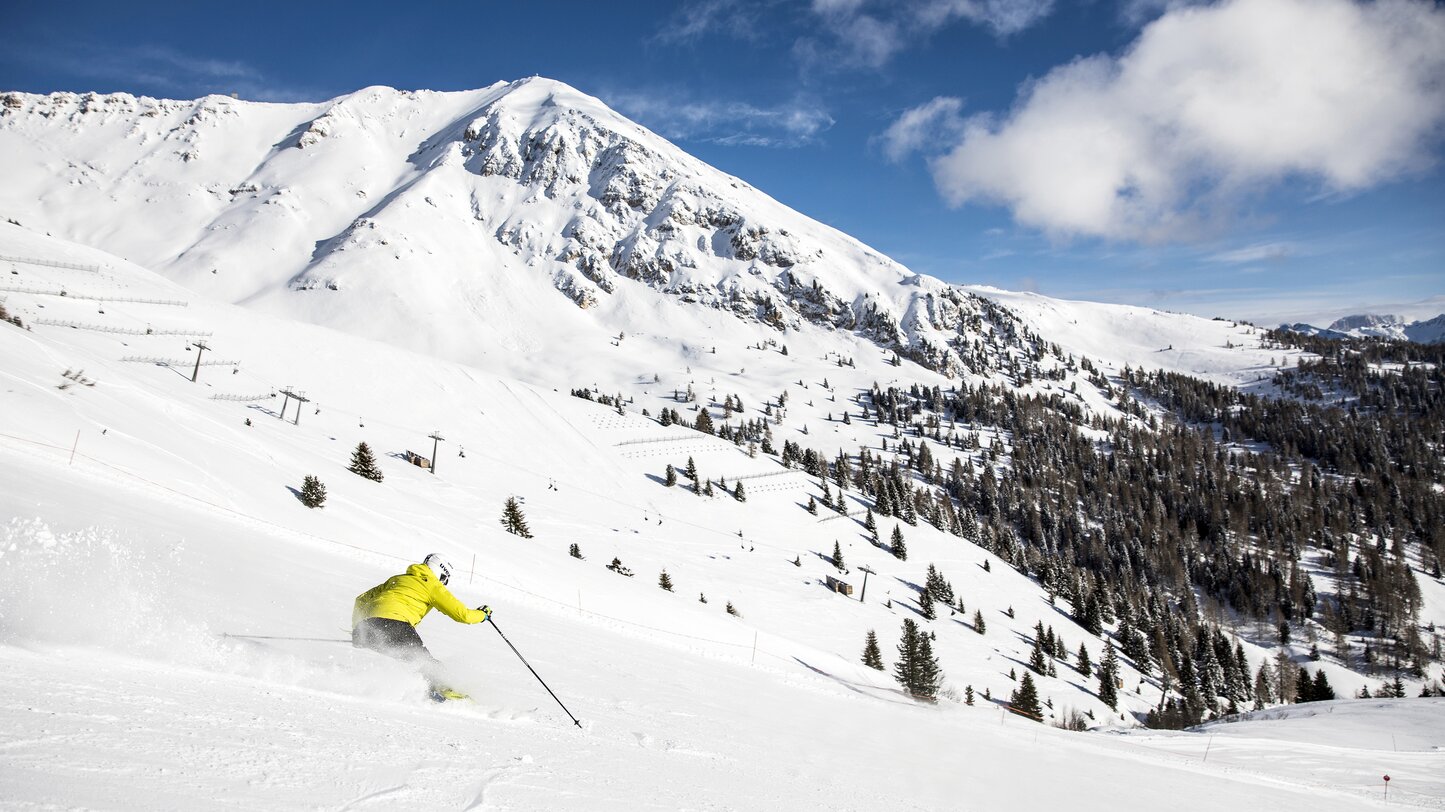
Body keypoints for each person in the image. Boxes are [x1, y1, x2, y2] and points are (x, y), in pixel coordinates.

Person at [352, 553, 490, 701]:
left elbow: (361, 600)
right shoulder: (432, 585)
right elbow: (463, 615)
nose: (443, 583)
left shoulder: (398, 579)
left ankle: (400, 689)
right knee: (429, 665)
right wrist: (482, 615)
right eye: (444, 579)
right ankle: (444, 695)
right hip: (395, 625)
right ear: (440, 572)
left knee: (408, 661)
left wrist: (358, 630)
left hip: (367, 628)